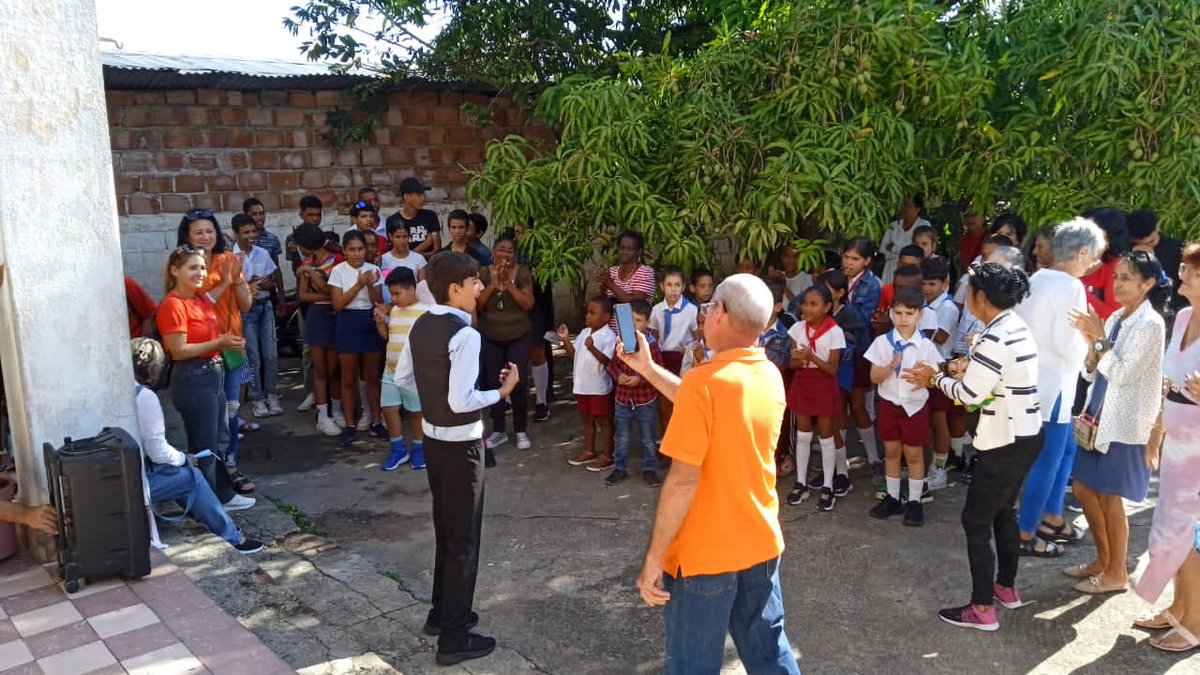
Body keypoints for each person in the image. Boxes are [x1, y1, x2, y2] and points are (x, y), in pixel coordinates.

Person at [617, 273, 800, 675]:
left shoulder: (706, 383)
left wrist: (654, 559)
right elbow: (703, 402)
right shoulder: (767, 373)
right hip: (760, 542)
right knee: (769, 650)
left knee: (692, 664)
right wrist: (648, 368)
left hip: (705, 554)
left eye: (709, 306)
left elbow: (683, 480)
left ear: (720, 312)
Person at [393, 251, 520, 665]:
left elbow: (403, 379)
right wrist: (501, 394)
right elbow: (462, 400)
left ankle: (441, 613)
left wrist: (435, 397)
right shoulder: (466, 335)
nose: (480, 288)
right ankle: (454, 635)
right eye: (474, 283)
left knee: (447, 530)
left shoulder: (421, 322)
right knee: (464, 538)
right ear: (455, 288)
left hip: (432, 440)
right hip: (462, 445)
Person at [905, 262, 1042, 632]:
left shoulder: (995, 336)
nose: (967, 297)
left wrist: (933, 378)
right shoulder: (1012, 326)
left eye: (970, 291)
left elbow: (970, 395)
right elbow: (995, 376)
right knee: (1003, 513)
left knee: (976, 520)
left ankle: (983, 607)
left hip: (1004, 439)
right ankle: (1006, 589)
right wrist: (962, 367)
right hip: (1027, 433)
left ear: (981, 297)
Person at [1065, 250, 1167, 594]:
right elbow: (1092, 369)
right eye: (1117, 276)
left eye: (1127, 278)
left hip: (1124, 422)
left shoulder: (1151, 324)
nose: (1118, 283)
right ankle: (1104, 561)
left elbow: (1123, 374)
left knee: (1110, 497)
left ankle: (1117, 573)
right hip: (1098, 417)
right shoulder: (1116, 320)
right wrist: (1090, 344)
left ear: (1148, 284)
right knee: (1082, 487)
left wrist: (1096, 339)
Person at [1012, 218, 1105, 557]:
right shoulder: (1070, 287)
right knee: (1047, 460)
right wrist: (1092, 341)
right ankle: (1026, 532)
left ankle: (1049, 515)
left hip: (1034, 381)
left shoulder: (1038, 278)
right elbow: (1068, 345)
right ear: (1081, 252)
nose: (1095, 263)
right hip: (1054, 386)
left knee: (1064, 451)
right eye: (1094, 256)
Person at [131, 338, 262, 554]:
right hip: (135, 481)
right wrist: (184, 458)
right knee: (191, 476)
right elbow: (157, 451)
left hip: (124, 473)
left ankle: (210, 519)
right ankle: (234, 538)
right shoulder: (144, 397)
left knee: (180, 471)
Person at [1134, 242, 1200, 652]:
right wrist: (1156, 430)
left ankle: (1196, 621)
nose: (1184, 276)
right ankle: (1179, 608)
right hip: (1177, 446)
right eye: (1185, 269)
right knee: (1168, 532)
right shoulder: (1184, 318)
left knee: (1189, 536)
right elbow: (1168, 384)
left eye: (1194, 271)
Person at [155, 246, 252, 511]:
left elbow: (220, 296)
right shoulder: (172, 304)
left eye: (201, 267)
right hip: (192, 377)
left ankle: (222, 496)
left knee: (219, 438)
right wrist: (220, 341)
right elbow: (178, 350)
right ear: (175, 271)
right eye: (192, 267)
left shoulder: (199, 299)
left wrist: (230, 280)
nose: (199, 272)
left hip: (213, 373)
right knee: (205, 445)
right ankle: (205, 505)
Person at [177, 210, 255, 494]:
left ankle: (229, 467)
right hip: (204, 351)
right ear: (187, 236)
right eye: (199, 232)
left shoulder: (229, 259)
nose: (206, 237)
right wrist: (224, 282)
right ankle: (206, 473)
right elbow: (199, 307)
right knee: (209, 416)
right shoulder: (185, 264)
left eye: (210, 231)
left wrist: (236, 281)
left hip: (232, 346)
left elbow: (245, 305)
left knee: (232, 411)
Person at [866, 287, 942, 526]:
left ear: (919, 314)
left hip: (914, 406)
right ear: (891, 314)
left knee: (914, 454)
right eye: (898, 313)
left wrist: (927, 378)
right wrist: (889, 366)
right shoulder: (882, 343)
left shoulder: (926, 347)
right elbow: (873, 377)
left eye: (909, 313)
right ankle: (892, 496)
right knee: (891, 452)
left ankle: (915, 501)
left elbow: (935, 376)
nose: (903, 319)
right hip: (890, 404)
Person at [785, 285, 846, 511]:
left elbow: (832, 369)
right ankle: (800, 483)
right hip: (803, 382)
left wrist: (810, 355)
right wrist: (799, 359)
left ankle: (828, 486)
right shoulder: (798, 329)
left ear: (827, 307)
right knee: (803, 435)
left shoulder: (834, 331)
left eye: (814, 304)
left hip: (823, 385)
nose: (806, 308)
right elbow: (790, 364)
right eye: (804, 303)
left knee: (826, 436)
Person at [478, 236, 536, 452]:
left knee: (518, 383)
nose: (505, 254)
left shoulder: (522, 272)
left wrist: (508, 284)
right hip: (491, 336)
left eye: (510, 251)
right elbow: (479, 303)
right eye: (501, 249)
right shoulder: (483, 272)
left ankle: (520, 430)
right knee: (495, 384)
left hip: (519, 335)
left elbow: (528, 303)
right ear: (493, 251)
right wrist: (494, 284)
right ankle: (499, 430)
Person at [329, 230, 386, 446]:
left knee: (371, 376)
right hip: (347, 320)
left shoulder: (374, 270)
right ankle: (350, 424)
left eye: (360, 249)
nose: (356, 254)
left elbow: (378, 301)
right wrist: (359, 284)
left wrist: (370, 284)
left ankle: (376, 420)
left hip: (369, 319)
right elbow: (338, 304)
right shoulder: (337, 271)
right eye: (351, 249)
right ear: (344, 251)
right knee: (348, 376)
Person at [603, 299, 663, 487]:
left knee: (648, 438)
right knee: (621, 437)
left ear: (647, 322)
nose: (634, 324)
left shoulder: (651, 344)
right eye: (630, 320)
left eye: (638, 320)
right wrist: (618, 376)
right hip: (622, 399)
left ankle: (649, 469)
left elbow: (658, 369)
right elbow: (612, 365)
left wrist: (640, 379)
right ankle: (620, 468)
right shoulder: (620, 341)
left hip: (645, 400)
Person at [376, 267, 429, 471]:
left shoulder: (424, 312)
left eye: (397, 293)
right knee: (389, 409)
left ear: (412, 289)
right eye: (391, 294)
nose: (393, 298)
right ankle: (397, 449)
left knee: (416, 412)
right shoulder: (395, 311)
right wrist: (381, 324)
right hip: (390, 370)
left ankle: (418, 447)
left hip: (413, 373)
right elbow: (388, 338)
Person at [295, 223, 345, 436]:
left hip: (335, 317)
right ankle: (323, 416)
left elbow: (328, 287)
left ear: (306, 245)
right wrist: (329, 298)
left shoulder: (338, 261)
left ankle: (337, 410)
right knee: (320, 370)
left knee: (334, 370)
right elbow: (304, 295)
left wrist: (310, 273)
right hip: (317, 317)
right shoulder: (307, 262)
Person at [231, 214, 283, 419]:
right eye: (246, 232)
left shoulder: (261, 253)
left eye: (253, 232)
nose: (251, 236)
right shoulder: (231, 257)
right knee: (253, 356)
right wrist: (247, 285)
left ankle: (271, 394)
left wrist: (263, 284)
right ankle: (257, 397)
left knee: (270, 355)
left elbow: (271, 280)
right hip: (245, 310)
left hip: (264, 305)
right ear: (236, 234)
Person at [559, 297, 617, 469]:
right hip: (582, 386)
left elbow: (607, 360)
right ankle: (589, 450)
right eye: (587, 312)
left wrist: (592, 348)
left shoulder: (609, 336)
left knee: (604, 421)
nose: (588, 316)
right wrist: (565, 340)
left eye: (593, 313)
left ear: (606, 317)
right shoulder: (585, 332)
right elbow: (573, 354)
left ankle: (608, 454)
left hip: (599, 387)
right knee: (587, 419)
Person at [842, 237, 883, 472]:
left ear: (867, 261)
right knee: (838, 406)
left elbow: (861, 321)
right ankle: (839, 464)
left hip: (859, 350)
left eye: (855, 259)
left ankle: (873, 457)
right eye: (846, 257)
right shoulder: (837, 279)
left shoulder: (871, 285)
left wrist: (840, 303)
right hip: (837, 350)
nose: (849, 263)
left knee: (857, 405)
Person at [921, 256, 961, 491]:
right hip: (929, 367)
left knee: (939, 419)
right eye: (924, 284)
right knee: (931, 419)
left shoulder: (946, 307)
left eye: (932, 284)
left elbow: (942, 337)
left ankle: (939, 467)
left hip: (942, 368)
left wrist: (923, 330)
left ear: (945, 283)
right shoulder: (926, 307)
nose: (927, 289)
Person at [289, 195, 325, 414]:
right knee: (308, 351)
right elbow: (297, 273)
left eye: (318, 215)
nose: (314, 219)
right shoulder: (294, 241)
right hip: (307, 307)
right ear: (301, 215)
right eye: (310, 215)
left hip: (326, 309)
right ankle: (312, 392)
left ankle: (328, 396)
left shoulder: (328, 247)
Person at [1079, 206, 1132, 320]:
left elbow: (1113, 317)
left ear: (1109, 237)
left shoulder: (1118, 266)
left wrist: (1077, 289)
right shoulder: (1074, 257)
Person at [595, 230, 656, 328]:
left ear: (639, 251)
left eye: (630, 249)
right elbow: (602, 302)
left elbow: (635, 304)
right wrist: (603, 284)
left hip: (633, 333)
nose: (624, 252)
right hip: (609, 333)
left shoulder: (645, 272)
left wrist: (610, 283)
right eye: (622, 248)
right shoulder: (612, 271)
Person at [1128, 208, 1185, 311]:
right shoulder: (1126, 250)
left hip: (1172, 308)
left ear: (1157, 227)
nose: (1146, 247)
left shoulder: (1178, 250)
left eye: (1150, 242)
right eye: (1139, 244)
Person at [649, 267, 697, 377]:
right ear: (662, 286)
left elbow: (697, 338)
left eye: (677, 285)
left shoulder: (691, 310)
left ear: (683, 287)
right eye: (669, 285)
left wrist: (687, 348)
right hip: (662, 357)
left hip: (683, 357)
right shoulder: (656, 310)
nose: (673, 289)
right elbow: (654, 338)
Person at [880, 194, 932, 283]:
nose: (904, 209)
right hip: (890, 270)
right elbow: (883, 250)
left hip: (911, 271)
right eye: (903, 205)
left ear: (917, 209)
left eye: (908, 206)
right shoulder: (893, 225)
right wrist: (904, 250)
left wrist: (893, 248)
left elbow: (919, 252)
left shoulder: (923, 225)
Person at [242, 197, 285, 300]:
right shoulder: (239, 241)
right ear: (246, 215)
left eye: (261, 213)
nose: (259, 217)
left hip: (269, 293)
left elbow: (276, 269)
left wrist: (282, 295)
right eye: (254, 214)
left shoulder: (272, 239)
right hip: (246, 295)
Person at [393, 177, 442, 260]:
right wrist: (425, 244)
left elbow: (437, 251)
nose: (423, 198)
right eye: (419, 195)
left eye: (423, 194)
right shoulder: (394, 221)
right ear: (406, 196)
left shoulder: (430, 216)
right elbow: (397, 255)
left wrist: (410, 254)